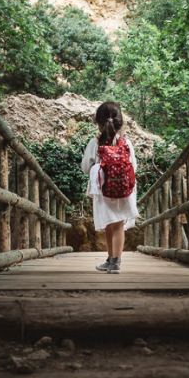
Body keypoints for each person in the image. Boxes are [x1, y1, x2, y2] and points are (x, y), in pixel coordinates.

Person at [81, 101, 139, 274]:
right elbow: (134, 166)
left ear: (98, 122)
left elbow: (85, 167)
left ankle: (113, 262)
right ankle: (113, 260)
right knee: (119, 224)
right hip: (124, 190)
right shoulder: (126, 143)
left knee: (109, 223)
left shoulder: (95, 142)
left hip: (103, 189)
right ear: (120, 121)